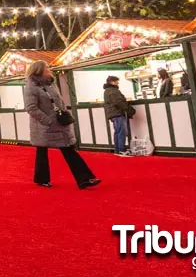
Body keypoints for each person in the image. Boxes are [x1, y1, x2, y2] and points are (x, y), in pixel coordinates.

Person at [24, 60, 100, 189]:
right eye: (46, 67)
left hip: (59, 122)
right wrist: (47, 121)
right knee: (43, 151)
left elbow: (59, 102)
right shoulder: (31, 87)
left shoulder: (51, 83)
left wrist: (64, 114)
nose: (49, 69)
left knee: (67, 148)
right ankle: (43, 179)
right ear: (38, 70)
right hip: (44, 126)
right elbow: (31, 108)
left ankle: (84, 179)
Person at [103, 76, 133, 157]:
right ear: (112, 82)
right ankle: (121, 150)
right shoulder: (113, 91)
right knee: (121, 132)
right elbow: (118, 102)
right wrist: (129, 109)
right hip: (117, 113)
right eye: (116, 81)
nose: (118, 83)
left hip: (113, 114)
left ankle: (117, 150)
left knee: (117, 132)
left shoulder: (107, 90)